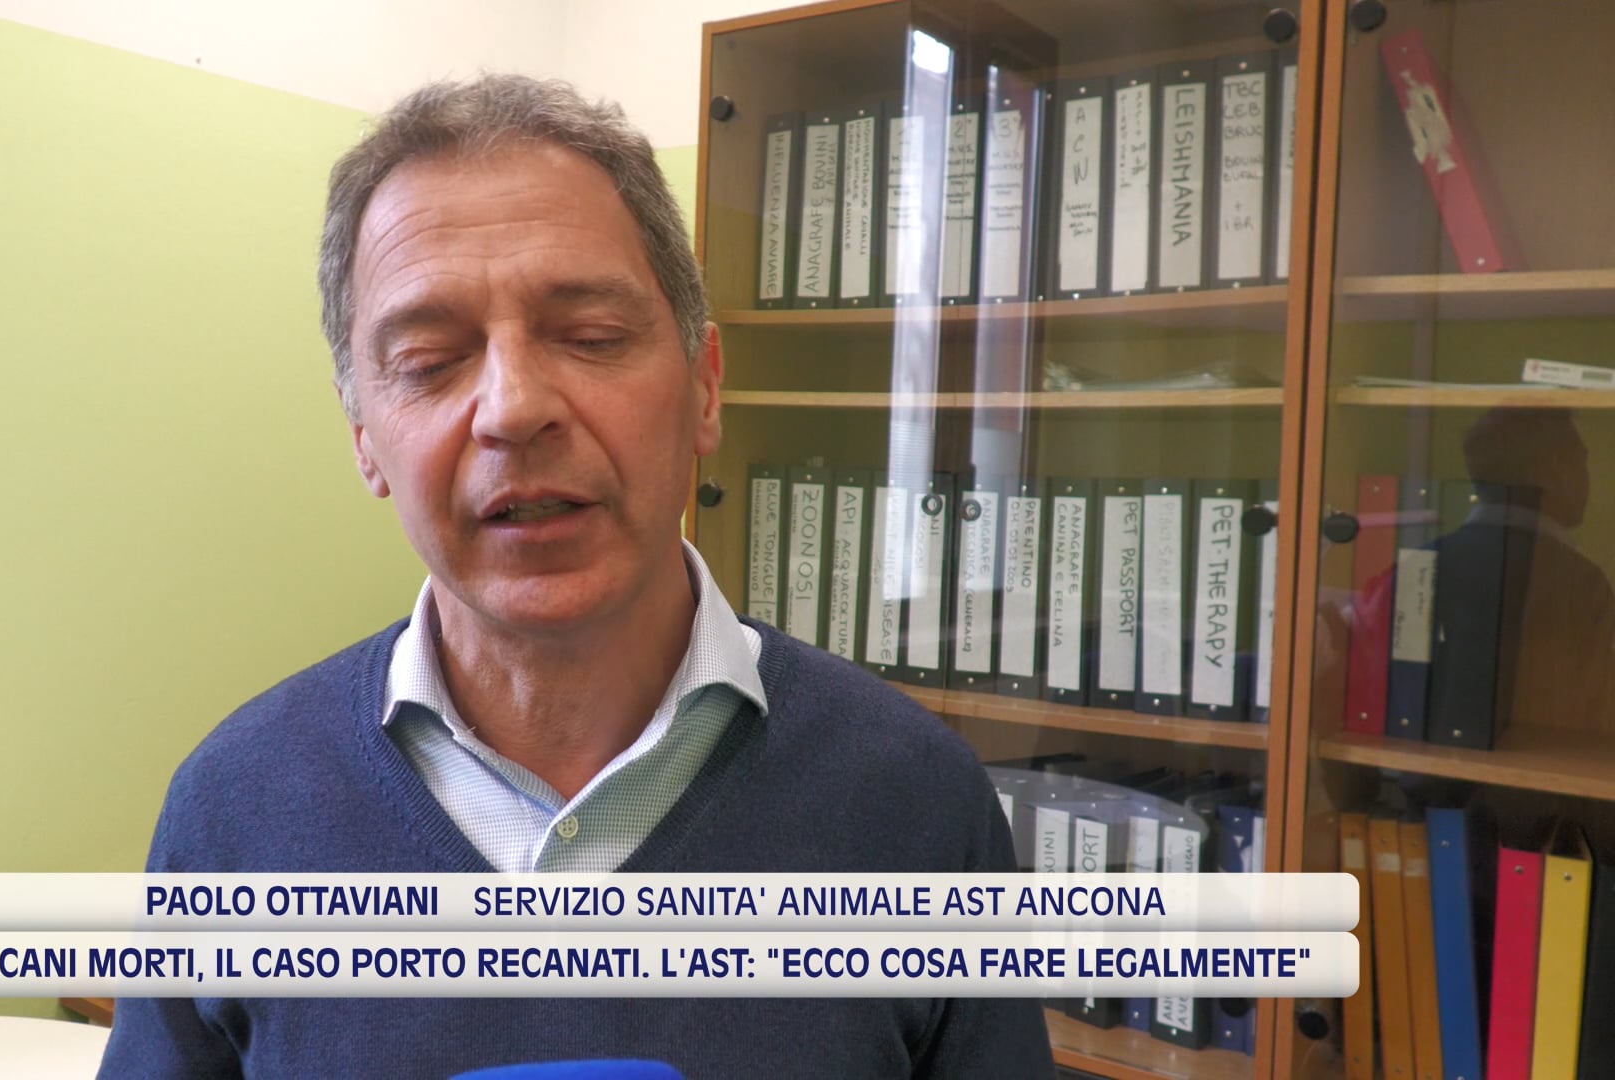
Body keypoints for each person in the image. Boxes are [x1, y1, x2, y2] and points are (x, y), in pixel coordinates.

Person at [98, 74, 1052, 1078]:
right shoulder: (234, 810)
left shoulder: (914, 801)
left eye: (591, 338)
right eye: (428, 361)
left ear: (705, 388)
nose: (514, 409)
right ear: (365, 440)